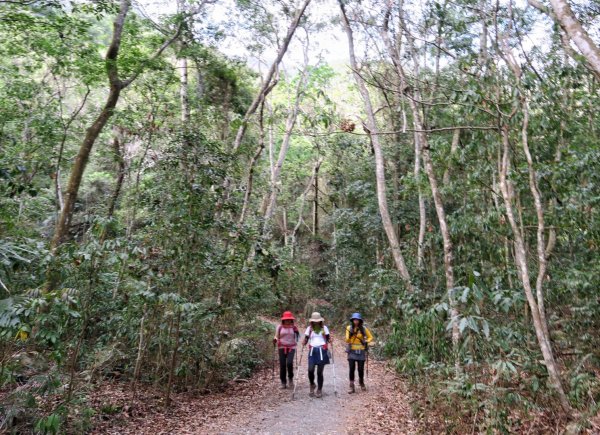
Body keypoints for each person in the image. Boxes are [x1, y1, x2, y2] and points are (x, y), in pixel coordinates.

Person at [303, 312, 332, 398]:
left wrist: (330, 340)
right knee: (310, 370)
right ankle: (312, 384)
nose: (316, 322)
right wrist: (304, 342)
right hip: (312, 350)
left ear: (320, 321)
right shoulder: (309, 328)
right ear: (312, 321)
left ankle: (319, 389)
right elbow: (306, 338)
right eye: (314, 321)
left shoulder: (324, 328)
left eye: (317, 321)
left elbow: (328, 338)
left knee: (319, 372)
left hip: (322, 350)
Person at [345, 312, 373, 393]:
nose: (356, 321)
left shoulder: (364, 329)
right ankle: (351, 386)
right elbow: (347, 340)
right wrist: (350, 335)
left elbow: (371, 337)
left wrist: (366, 341)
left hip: (361, 351)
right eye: (354, 320)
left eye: (357, 320)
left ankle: (361, 382)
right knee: (352, 368)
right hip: (352, 351)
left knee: (360, 369)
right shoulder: (349, 328)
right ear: (352, 320)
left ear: (360, 321)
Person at [273, 311, 299, 389]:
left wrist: (297, 333)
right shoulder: (279, 327)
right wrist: (275, 339)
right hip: (282, 347)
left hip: (292, 347)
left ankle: (290, 378)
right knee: (283, 365)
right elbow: (276, 336)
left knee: (289, 363)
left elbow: (298, 337)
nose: (288, 321)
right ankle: (283, 382)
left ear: (291, 320)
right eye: (286, 319)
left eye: (289, 319)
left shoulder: (294, 327)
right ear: (283, 320)